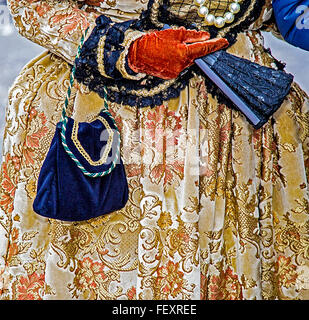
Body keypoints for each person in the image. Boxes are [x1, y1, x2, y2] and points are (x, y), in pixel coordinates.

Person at [0, 0, 308, 300]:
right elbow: (32, 5)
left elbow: (282, 14)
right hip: (113, 120)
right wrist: (129, 50)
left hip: (243, 119)